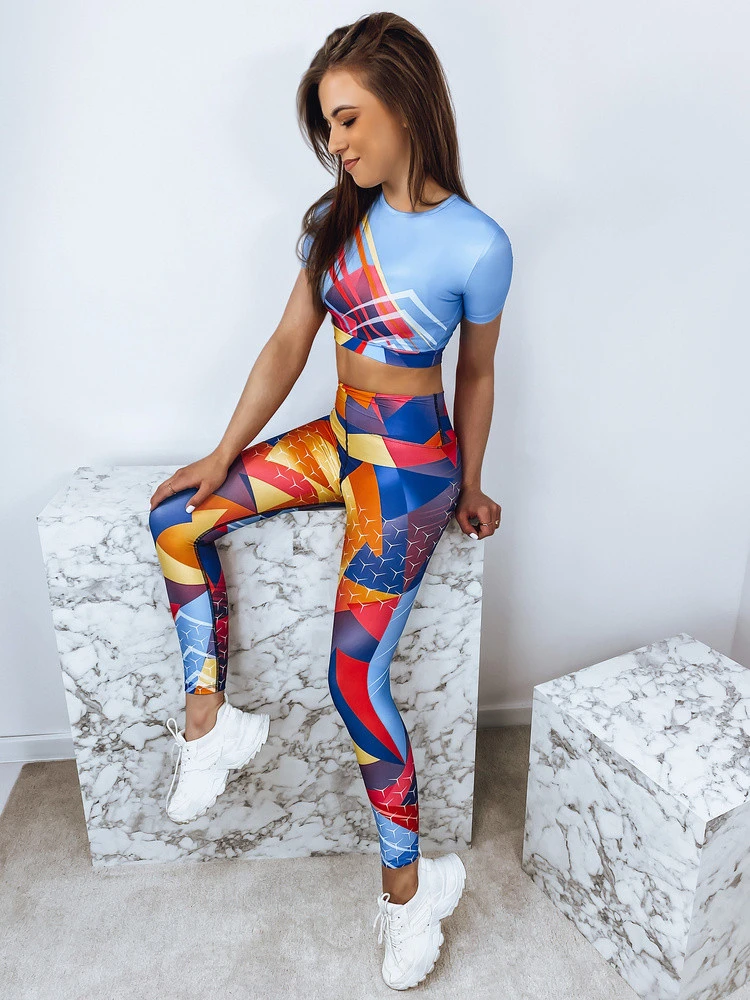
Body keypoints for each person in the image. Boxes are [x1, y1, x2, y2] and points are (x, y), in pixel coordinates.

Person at [147, 11, 512, 991]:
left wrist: (473, 480)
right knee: (175, 517)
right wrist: (222, 453)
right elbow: (286, 345)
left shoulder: (478, 244)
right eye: (327, 126)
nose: (337, 143)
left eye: (349, 119)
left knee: (354, 679)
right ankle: (210, 720)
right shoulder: (333, 222)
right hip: (341, 439)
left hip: (409, 471)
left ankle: (409, 891)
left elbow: (477, 374)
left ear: (408, 104)